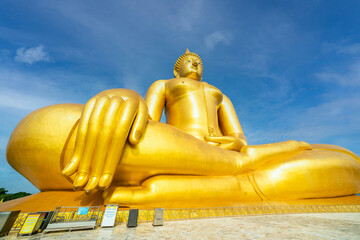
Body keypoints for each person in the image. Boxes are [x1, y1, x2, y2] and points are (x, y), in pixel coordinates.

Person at [7, 49, 360, 208]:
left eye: (199, 61)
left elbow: (238, 133)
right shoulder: (165, 84)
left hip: (226, 151)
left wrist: (234, 141)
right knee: (50, 128)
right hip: (178, 145)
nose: (196, 63)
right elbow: (145, 116)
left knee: (306, 147)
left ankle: (233, 175)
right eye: (190, 61)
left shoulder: (218, 93)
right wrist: (123, 97)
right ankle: (236, 177)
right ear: (178, 69)